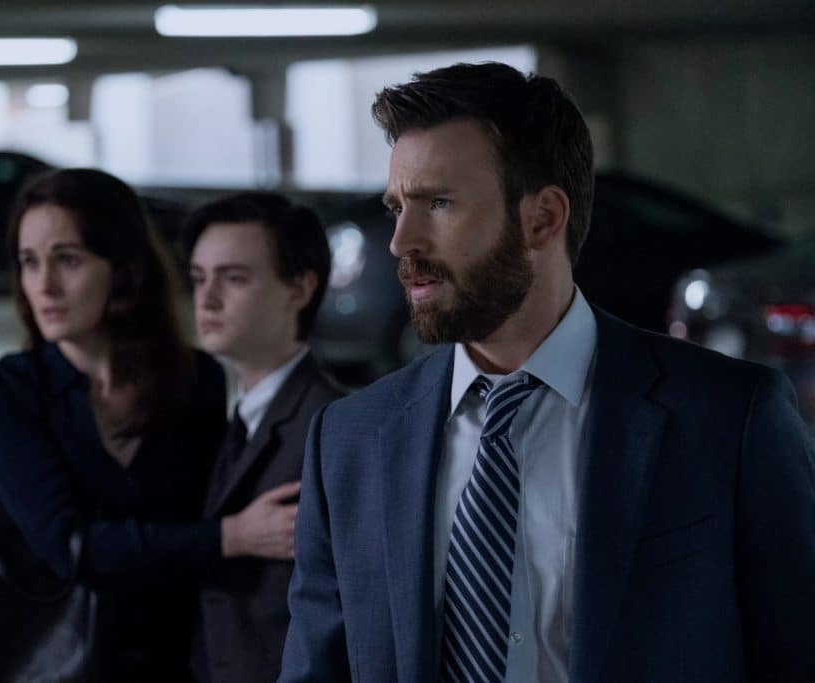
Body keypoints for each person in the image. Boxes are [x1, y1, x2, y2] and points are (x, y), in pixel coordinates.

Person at [280, 62, 815, 683]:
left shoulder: (728, 418)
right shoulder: (349, 441)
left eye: (439, 203)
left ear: (543, 218)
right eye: (397, 207)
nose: (402, 240)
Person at [0, 169, 294, 680]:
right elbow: (69, 548)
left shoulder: (196, 379)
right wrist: (228, 537)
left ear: (122, 268)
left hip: (173, 660)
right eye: (29, 262)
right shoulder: (5, 393)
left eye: (67, 259)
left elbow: (198, 511)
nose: (44, 285)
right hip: (47, 663)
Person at [183, 192, 344, 683]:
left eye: (233, 278)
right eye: (199, 278)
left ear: (299, 289)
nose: (207, 298)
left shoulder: (334, 426)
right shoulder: (219, 415)